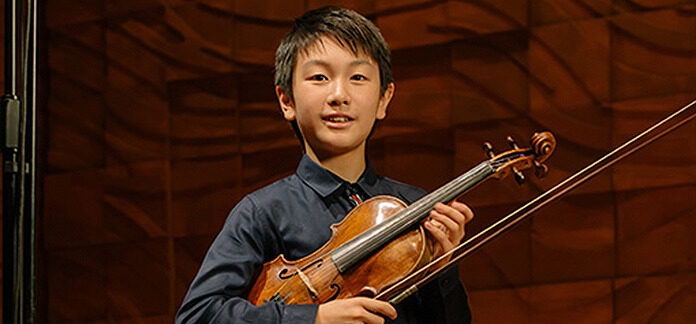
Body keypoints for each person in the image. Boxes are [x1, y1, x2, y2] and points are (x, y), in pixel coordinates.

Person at [176, 6, 474, 324]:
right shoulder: (262, 212)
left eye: (358, 77)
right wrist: (313, 318)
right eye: (319, 77)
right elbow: (197, 316)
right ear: (286, 100)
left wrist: (441, 268)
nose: (339, 94)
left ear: (384, 99)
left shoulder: (413, 207)